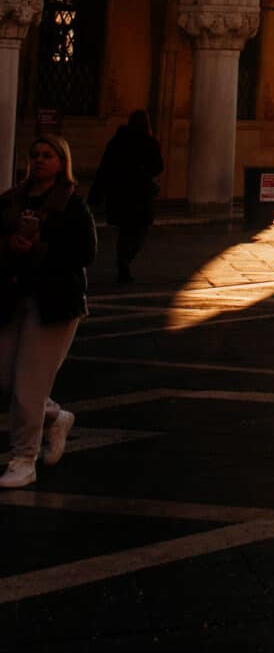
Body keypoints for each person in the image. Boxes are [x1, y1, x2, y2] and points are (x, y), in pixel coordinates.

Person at [0, 130, 97, 490]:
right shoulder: (11, 200)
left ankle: (24, 459)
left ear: (62, 163)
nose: (40, 160)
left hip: (54, 302)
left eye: (48, 155)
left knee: (27, 387)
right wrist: (10, 243)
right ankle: (55, 417)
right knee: (7, 380)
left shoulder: (73, 205)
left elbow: (86, 252)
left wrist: (43, 245)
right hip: (12, 299)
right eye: (35, 154)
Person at [88, 107, 164, 284]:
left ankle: (123, 260)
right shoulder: (149, 142)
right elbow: (158, 167)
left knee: (125, 231)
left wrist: (96, 194)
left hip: (120, 194)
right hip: (139, 195)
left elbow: (104, 168)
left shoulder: (117, 141)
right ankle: (125, 260)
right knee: (140, 230)